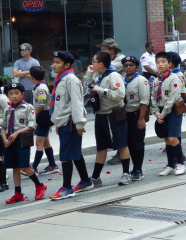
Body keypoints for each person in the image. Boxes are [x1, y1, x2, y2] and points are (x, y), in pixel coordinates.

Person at [48, 52, 92, 200]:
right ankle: (86, 181)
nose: (54, 65)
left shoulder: (70, 80)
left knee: (65, 155)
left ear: (66, 65)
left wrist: (79, 124)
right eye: (53, 62)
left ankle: (67, 188)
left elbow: (77, 103)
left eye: (57, 62)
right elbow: (61, 104)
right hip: (64, 122)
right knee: (75, 153)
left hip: (71, 123)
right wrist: (57, 122)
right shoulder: (61, 79)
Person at [88, 50, 130, 187]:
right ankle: (95, 177)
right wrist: (89, 75)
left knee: (121, 144)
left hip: (113, 115)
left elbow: (119, 95)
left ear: (101, 64)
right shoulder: (98, 75)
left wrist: (99, 90)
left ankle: (126, 173)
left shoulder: (113, 76)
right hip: (100, 116)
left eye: (94, 61)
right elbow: (88, 87)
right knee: (101, 147)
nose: (92, 63)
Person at [2, 83, 46, 203]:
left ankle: (39, 185)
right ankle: (18, 193)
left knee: (24, 167)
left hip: (22, 140)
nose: (14, 96)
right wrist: (4, 139)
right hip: (10, 141)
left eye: (16, 93)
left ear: (22, 94)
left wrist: (17, 133)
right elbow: (3, 126)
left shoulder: (28, 107)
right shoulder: (7, 109)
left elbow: (32, 125)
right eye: (11, 94)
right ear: (7, 96)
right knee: (15, 168)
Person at [153, 51, 186, 176]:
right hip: (161, 112)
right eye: (157, 62)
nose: (160, 65)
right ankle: (170, 165)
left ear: (169, 64)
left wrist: (164, 113)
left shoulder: (174, 79)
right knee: (167, 139)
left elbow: (173, 98)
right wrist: (156, 113)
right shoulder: (156, 80)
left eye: (163, 62)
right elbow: (153, 98)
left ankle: (181, 164)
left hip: (172, 111)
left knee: (173, 138)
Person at [120, 56, 150, 182]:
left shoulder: (141, 80)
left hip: (136, 115)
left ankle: (139, 169)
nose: (128, 67)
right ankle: (134, 167)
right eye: (126, 65)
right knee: (129, 144)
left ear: (137, 67)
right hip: (124, 116)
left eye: (131, 65)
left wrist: (141, 118)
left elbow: (144, 101)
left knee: (138, 143)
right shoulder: (122, 80)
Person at [29, 65, 57, 175]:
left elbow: (40, 105)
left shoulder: (40, 89)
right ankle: (53, 164)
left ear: (31, 77)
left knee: (39, 142)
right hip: (43, 115)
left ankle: (34, 168)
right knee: (46, 142)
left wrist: (34, 118)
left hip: (42, 116)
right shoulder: (40, 86)